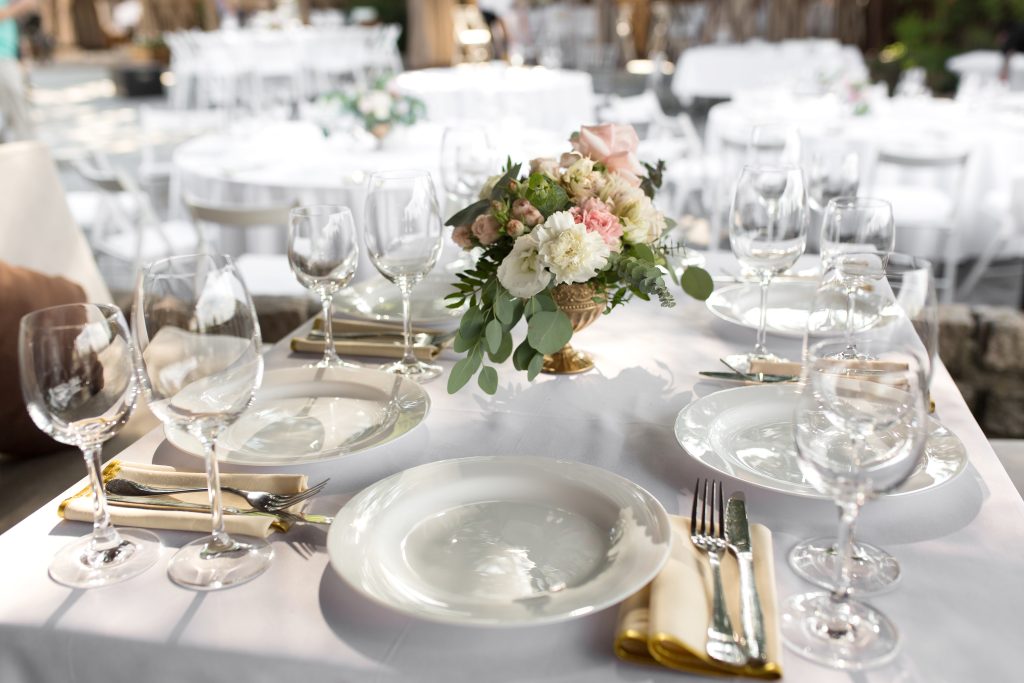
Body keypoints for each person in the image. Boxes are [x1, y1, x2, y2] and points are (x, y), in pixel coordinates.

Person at [0, 0, 36, 141]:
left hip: (9, 55)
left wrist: (21, 56)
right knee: (16, 98)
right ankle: (26, 144)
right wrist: (21, 6)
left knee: (15, 101)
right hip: (2, 58)